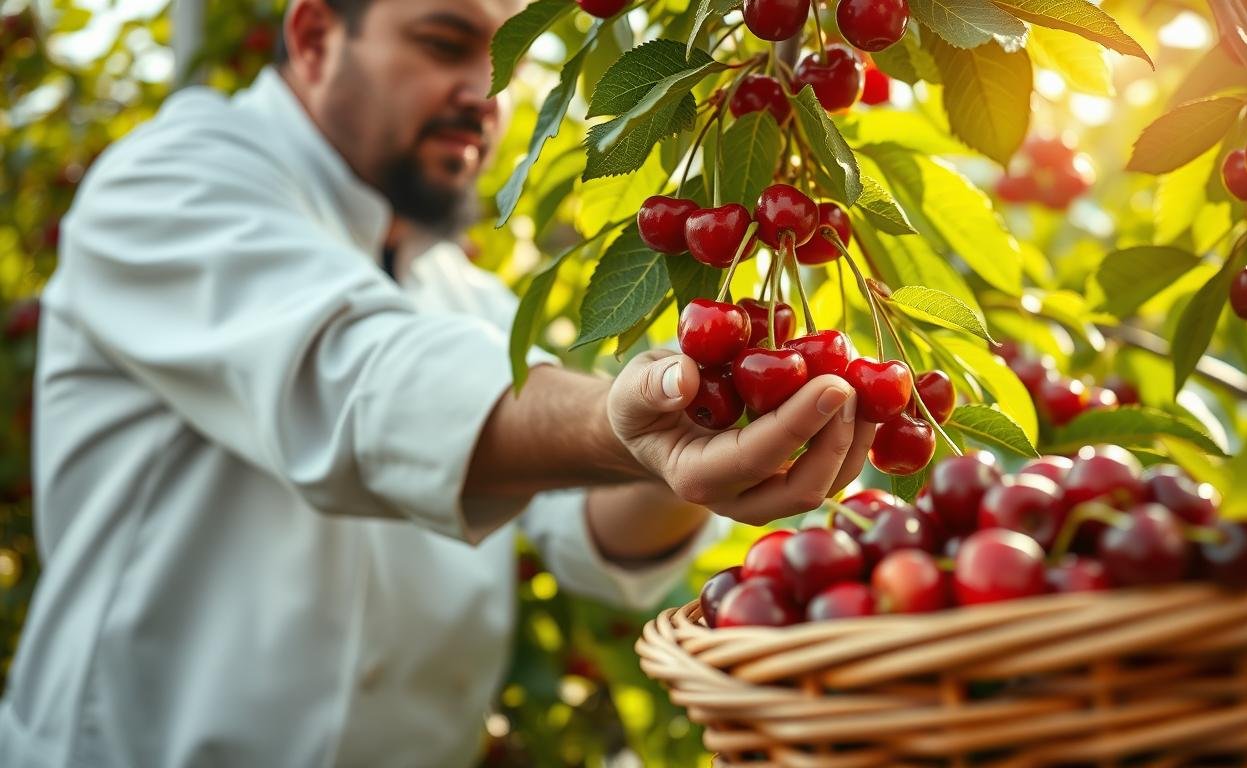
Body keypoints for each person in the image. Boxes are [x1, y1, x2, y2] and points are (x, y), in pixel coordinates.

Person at [0, 0, 875, 765]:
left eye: (506, 59)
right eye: (443, 41)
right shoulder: (168, 181)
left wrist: (719, 441)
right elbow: (360, 381)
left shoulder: (466, 295)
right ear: (312, 38)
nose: (484, 95)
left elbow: (587, 534)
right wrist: (626, 427)